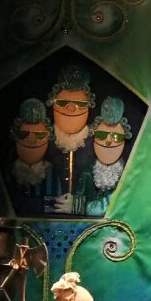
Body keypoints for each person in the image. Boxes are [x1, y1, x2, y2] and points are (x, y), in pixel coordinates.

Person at [45, 63, 96, 214]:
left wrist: (80, 206)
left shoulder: (96, 144)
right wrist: (49, 205)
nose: (71, 108)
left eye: (80, 104)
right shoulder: (43, 140)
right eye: (62, 103)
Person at [74, 96, 133, 216]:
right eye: (101, 135)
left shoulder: (129, 174)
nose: (108, 142)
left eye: (116, 137)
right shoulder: (87, 172)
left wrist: (78, 206)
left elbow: (118, 205)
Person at [6, 98, 61, 215]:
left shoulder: (52, 171)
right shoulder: (9, 170)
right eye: (23, 134)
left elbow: (57, 206)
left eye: (40, 135)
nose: (32, 140)